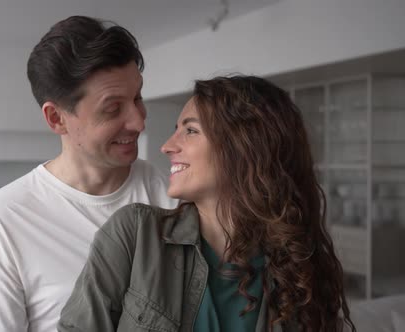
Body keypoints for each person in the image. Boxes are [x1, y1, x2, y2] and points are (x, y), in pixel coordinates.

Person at [58, 76, 356, 332]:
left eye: (190, 130)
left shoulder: (297, 265)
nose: (167, 146)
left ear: (243, 147)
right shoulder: (135, 234)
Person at [0, 16, 177, 332]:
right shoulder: (4, 220)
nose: (138, 122)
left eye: (137, 98)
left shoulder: (172, 197)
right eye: (113, 109)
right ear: (57, 118)